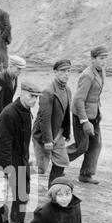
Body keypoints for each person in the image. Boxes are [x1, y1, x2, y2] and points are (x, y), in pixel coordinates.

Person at [0, 79, 42, 223]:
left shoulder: (26, 111)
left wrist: (28, 156)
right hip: (2, 160)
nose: (34, 100)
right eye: (32, 96)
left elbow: (24, 138)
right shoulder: (9, 113)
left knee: (23, 191)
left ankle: (17, 220)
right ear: (22, 94)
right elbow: (3, 143)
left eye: (37, 97)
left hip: (20, 157)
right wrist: (7, 168)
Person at [67, 46, 109, 185]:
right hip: (81, 114)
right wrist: (84, 121)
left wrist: (98, 111)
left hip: (94, 114)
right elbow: (78, 100)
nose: (104, 62)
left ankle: (86, 174)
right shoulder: (87, 75)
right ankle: (58, 161)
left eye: (105, 58)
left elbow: (95, 95)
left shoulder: (101, 71)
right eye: (101, 58)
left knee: (96, 144)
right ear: (93, 59)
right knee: (82, 146)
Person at [33, 59, 72, 188]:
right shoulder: (48, 92)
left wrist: (67, 133)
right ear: (55, 72)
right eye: (62, 71)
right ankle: (16, 175)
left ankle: (53, 189)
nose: (66, 74)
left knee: (62, 161)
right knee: (41, 168)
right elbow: (44, 119)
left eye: (68, 71)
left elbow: (66, 114)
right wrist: (47, 140)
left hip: (58, 133)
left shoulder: (67, 90)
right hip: (44, 134)